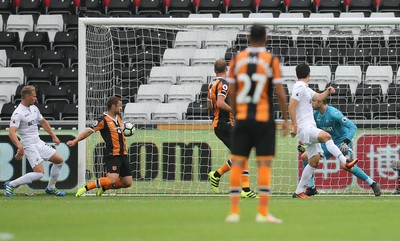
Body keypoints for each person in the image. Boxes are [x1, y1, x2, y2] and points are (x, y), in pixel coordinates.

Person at [225, 24, 290, 223]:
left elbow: (233, 91)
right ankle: (262, 212)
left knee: (237, 162)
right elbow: (279, 91)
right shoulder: (271, 60)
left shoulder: (237, 60)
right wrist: (286, 118)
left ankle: (234, 212)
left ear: (247, 38)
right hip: (264, 120)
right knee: (264, 164)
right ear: (267, 39)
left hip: (243, 118)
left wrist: (236, 113)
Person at [289, 63, 359, 199]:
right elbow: (291, 106)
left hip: (309, 128)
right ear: (309, 74)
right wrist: (295, 126)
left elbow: (319, 97)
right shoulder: (299, 87)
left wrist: (328, 90)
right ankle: (345, 160)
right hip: (305, 128)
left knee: (314, 161)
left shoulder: (305, 88)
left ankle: (298, 192)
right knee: (327, 137)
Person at [298, 98, 381, 196]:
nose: (312, 103)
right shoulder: (315, 114)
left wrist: (346, 142)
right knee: (305, 157)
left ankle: (373, 183)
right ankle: (311, 187)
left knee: (345, 165)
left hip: (341, 142)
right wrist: (307, 145)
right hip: (326, 142)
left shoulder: (334, 113)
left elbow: (352, 127)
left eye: (314, 101)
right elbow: (314, 131)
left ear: (320, 102)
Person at [207, 58, 258, 199]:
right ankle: (245, 189)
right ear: (227, 69)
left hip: (219, 125)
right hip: (225, 124)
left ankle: (216, 175)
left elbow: (210, 106)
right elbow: (220, 103)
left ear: (214, 70)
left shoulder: (211, 84)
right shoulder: (224, 84)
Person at [4, 85, 65, 197]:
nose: (36, 98)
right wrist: (19, 146)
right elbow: (11, 132)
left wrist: (53, 136)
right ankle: (11, 184)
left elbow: (43, 122)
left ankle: (51, 188)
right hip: (28, 145)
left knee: (59, 160)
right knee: (39, 173)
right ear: (27, 96)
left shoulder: (34, 108)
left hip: (38, 142)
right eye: (34, 96)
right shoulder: (18, 113)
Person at [67, 96, 132, 197]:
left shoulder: (118, 118)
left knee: (127, 182)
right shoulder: (103, 120)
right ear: (113, 106)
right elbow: (89, 131)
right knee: (112, 180)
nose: (121, 109)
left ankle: (105, 187)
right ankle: (85, 188)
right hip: (112, 155)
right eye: (119, 106)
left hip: (123, 154)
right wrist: (75, 140)